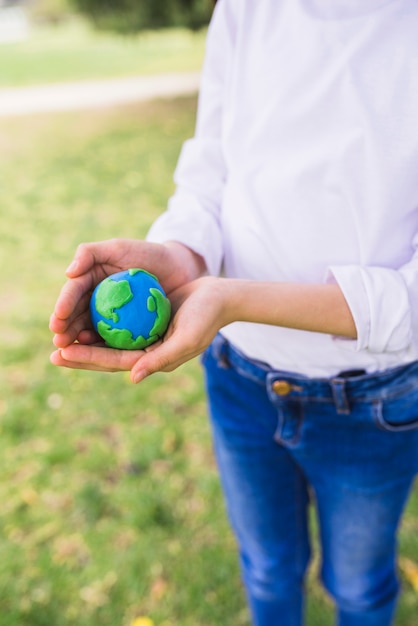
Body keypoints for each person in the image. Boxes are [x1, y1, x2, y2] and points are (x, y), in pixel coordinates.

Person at [50, 1, 418, 624]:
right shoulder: (246, 7)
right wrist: (181, 254)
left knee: (358, 586)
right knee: (268, 569)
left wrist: (232, 297)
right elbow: (211, 170)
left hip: (374, 402)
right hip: (239, 375)